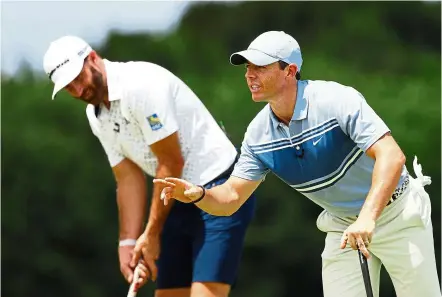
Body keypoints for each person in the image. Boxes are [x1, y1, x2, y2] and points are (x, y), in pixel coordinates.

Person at [149, 31, 441, 297]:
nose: (249, 75)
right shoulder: (258, 134)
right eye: (247, 68)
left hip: (397, 212)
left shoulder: (336, 100)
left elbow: (392, 156)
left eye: (260, 67)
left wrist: (367, 217)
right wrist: (198, 194)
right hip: (342, 228)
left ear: (289, 70)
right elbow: (231, 198)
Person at [43, 35, 256, 297]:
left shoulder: (140, 85)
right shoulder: (96, 115)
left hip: (219, 190)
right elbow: (127, 177)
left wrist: (151, 234)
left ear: (93, 58)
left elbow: (171, 161)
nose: (77, 90)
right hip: (173, 199)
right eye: (68, 86)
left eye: (78, 78)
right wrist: (129, 243)